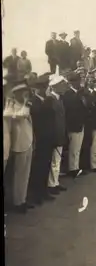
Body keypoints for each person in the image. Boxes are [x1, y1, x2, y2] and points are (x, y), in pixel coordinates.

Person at [4, 79, 34, 213]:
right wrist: (25, 103)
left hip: (28, 142)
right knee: (19, 175)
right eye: (21, 92)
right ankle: (17, 202)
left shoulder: (23, 105)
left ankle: (23, 199)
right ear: (15, 94)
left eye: (25, 92)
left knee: (25, 174)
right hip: (19, 144)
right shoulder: (12, 106)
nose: (24, 95)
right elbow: (22, 115)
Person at [27, 73, 57, 205]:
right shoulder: (34, 101)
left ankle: (43, 191)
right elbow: (38, 116)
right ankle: (36, 194)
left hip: (47, 138)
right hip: (39, 139)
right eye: (42, 87)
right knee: (38, 168)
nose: (44, 90)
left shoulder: (45, 101)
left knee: (46, 165)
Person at [62, 72, 88, 179]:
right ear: (72, 83)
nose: (79, 83)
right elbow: (70, 110)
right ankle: (72, 169)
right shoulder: (68, 95)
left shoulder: (80, 94)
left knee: (77, 149)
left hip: (80, 124)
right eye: (76, 81)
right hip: (73, 125)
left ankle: (76, 167)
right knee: (73, 149)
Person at [46, 75, 69, 195]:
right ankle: (51, 184)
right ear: (54, 87)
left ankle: (55, 182)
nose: (64, 87)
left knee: (57, 160)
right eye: (61, 85)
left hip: (60, 134)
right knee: (54, 160)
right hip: (55, 136)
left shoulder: (59, 99)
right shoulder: (51, 100)